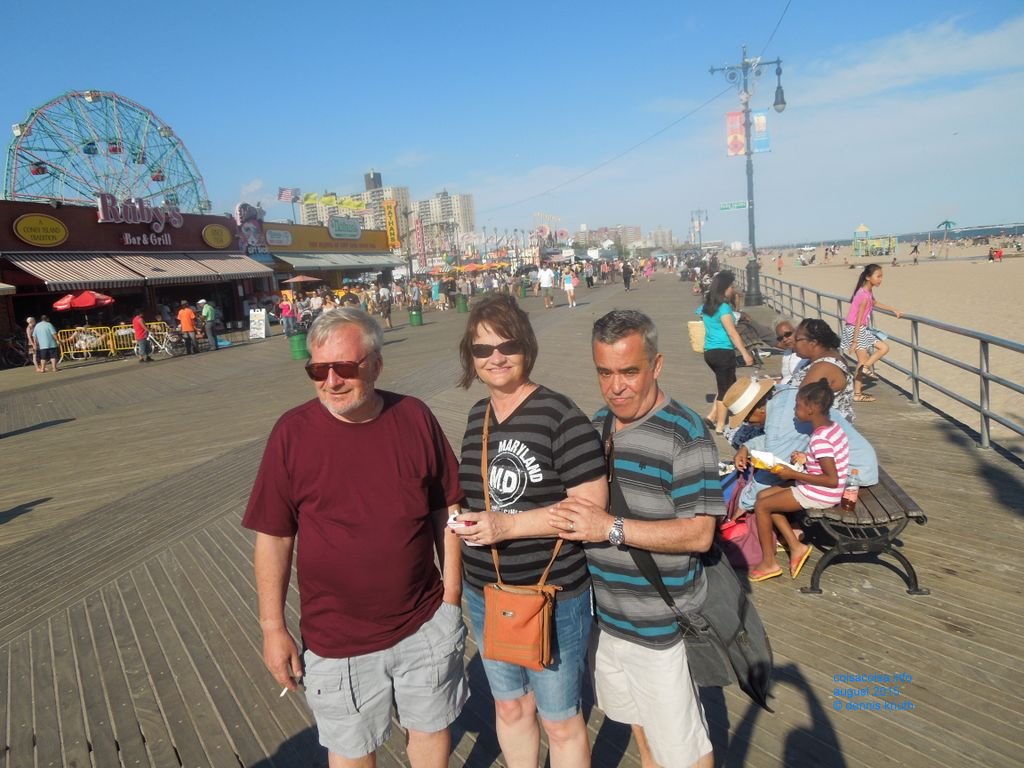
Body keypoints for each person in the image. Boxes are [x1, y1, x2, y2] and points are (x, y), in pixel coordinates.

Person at [241, 308, 468, 768]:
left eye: (344, 368)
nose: (330, 381)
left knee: (430, 731)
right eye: (317, 370)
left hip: (423, 622)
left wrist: (452, 594)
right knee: (350, 751)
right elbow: (274, 536)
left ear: (376, 365)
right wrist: (272, 628)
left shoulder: (414, 416)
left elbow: (447, 506)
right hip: (336, 640)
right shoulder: (292, 432)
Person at [548, 309, 720, 768]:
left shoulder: (687, 435)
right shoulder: (598, 425)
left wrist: (610, 527)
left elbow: (701, 535)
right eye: (604, 372)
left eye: (629, 371)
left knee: (683, 748)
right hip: (607, 623)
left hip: (663, 625)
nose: (616, 386)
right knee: (643, 736)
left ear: (657, 365)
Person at [450, 294, 607, 768]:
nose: (495, 357)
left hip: (552, 593)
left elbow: (591, 508)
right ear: (471, 358)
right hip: (488, 592)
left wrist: (506, 526)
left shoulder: (560, 414)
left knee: (560, 719)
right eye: (482, 349)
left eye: (507, 344)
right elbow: (472, 498)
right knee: (510, 706)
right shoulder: (478, 416)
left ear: (527, 347)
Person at [748, 380, 850, 582]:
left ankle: (769, 563)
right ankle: (795, 546)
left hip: (821, 493)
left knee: (762, 506)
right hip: (820, 489)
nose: (794, 410)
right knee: (764, 496)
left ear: (811, 409)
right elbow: (831, 461)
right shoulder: (832, 428)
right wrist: (806, 458)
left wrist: (793, 474)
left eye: (798, 406)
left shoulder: (819, 439)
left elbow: (831, 479)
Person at [700, 271, 754, 433]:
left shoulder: (707, 306)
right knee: (726, 389)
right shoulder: (723, 308)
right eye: (731, 286)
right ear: (724, 288)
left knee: (727, 383)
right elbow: (732, 332)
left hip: (709, 351)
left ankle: (712, 416)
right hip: (723, 351)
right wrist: (745, 353)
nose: (733, 289)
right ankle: (720, 426)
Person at [840, 264, 903, 403]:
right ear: (868, 277)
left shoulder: (866, 292)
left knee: (862, 362)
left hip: (857, 329)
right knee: (882, 349)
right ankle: (865, 370)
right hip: (856, 329)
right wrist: (855, 341)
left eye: (881, 277)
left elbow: (875, 303)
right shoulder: (863, 295)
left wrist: (893, 309)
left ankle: (858, 391)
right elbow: (857, 320)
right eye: (878, 276)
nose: (881, 279)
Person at [789, 319, 855, 420]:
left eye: (797, 339)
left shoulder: (824, 366)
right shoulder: (818, 360)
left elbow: (803, 402)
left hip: (823, 428)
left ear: (813, 342)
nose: (793, 343)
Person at [774, 319, 799, 385]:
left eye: (788, 334)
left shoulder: (807, 353)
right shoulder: (787, 353)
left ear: (798, 331)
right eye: (780, 338)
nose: (784, 339)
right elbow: (786, 376)